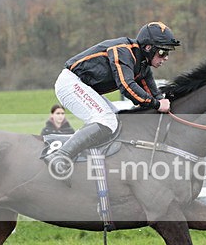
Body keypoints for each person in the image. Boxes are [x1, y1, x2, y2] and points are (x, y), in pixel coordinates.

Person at [51, 21, 179, 177]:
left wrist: (165, 102)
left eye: (168, 53)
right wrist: (157, 104)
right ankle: (60, 156)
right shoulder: (123, 51)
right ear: (148, 47)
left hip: (84, 87)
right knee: (107, 120)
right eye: (162, 52)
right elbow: (126, 85)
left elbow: (153, 92)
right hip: (71, 83)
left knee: (119, 121)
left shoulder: (143, 65)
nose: (165, 58)